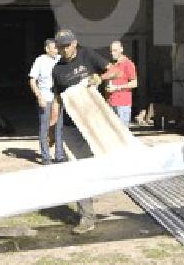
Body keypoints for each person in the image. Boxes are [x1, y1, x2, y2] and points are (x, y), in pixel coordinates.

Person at [50, 29, 113, 234]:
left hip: (95, 122)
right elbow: (57, 100)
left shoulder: (88, 55)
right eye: (60, 46)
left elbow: (115, 70)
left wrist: (100, 78)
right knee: (79, 171)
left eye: (67, 45)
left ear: (75, 43)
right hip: (71, 126)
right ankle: (87, 216)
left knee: (106, 163)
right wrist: (52, 128)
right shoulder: (57, 70)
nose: (64, 50)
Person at [28, 38, 60, 164]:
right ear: (47, 49)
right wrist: (39, 97)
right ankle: (46, 157)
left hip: (58, 99)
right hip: (45, 98)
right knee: (44, 127)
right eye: (55, 48)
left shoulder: (59, 59)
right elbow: (32, 81)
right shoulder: (40, 61)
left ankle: (59, 155)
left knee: (58, 127)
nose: (57, 50)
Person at [101, 40, 137, 127]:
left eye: (115, 50)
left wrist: (116, 88)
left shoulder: (128, 64)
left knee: (122, 132)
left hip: (122, 104)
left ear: (121, 49)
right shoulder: (111, 64)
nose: (112, 53)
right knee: (112, 132)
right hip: (110, 102)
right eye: (111, 51)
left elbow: (134, 83)